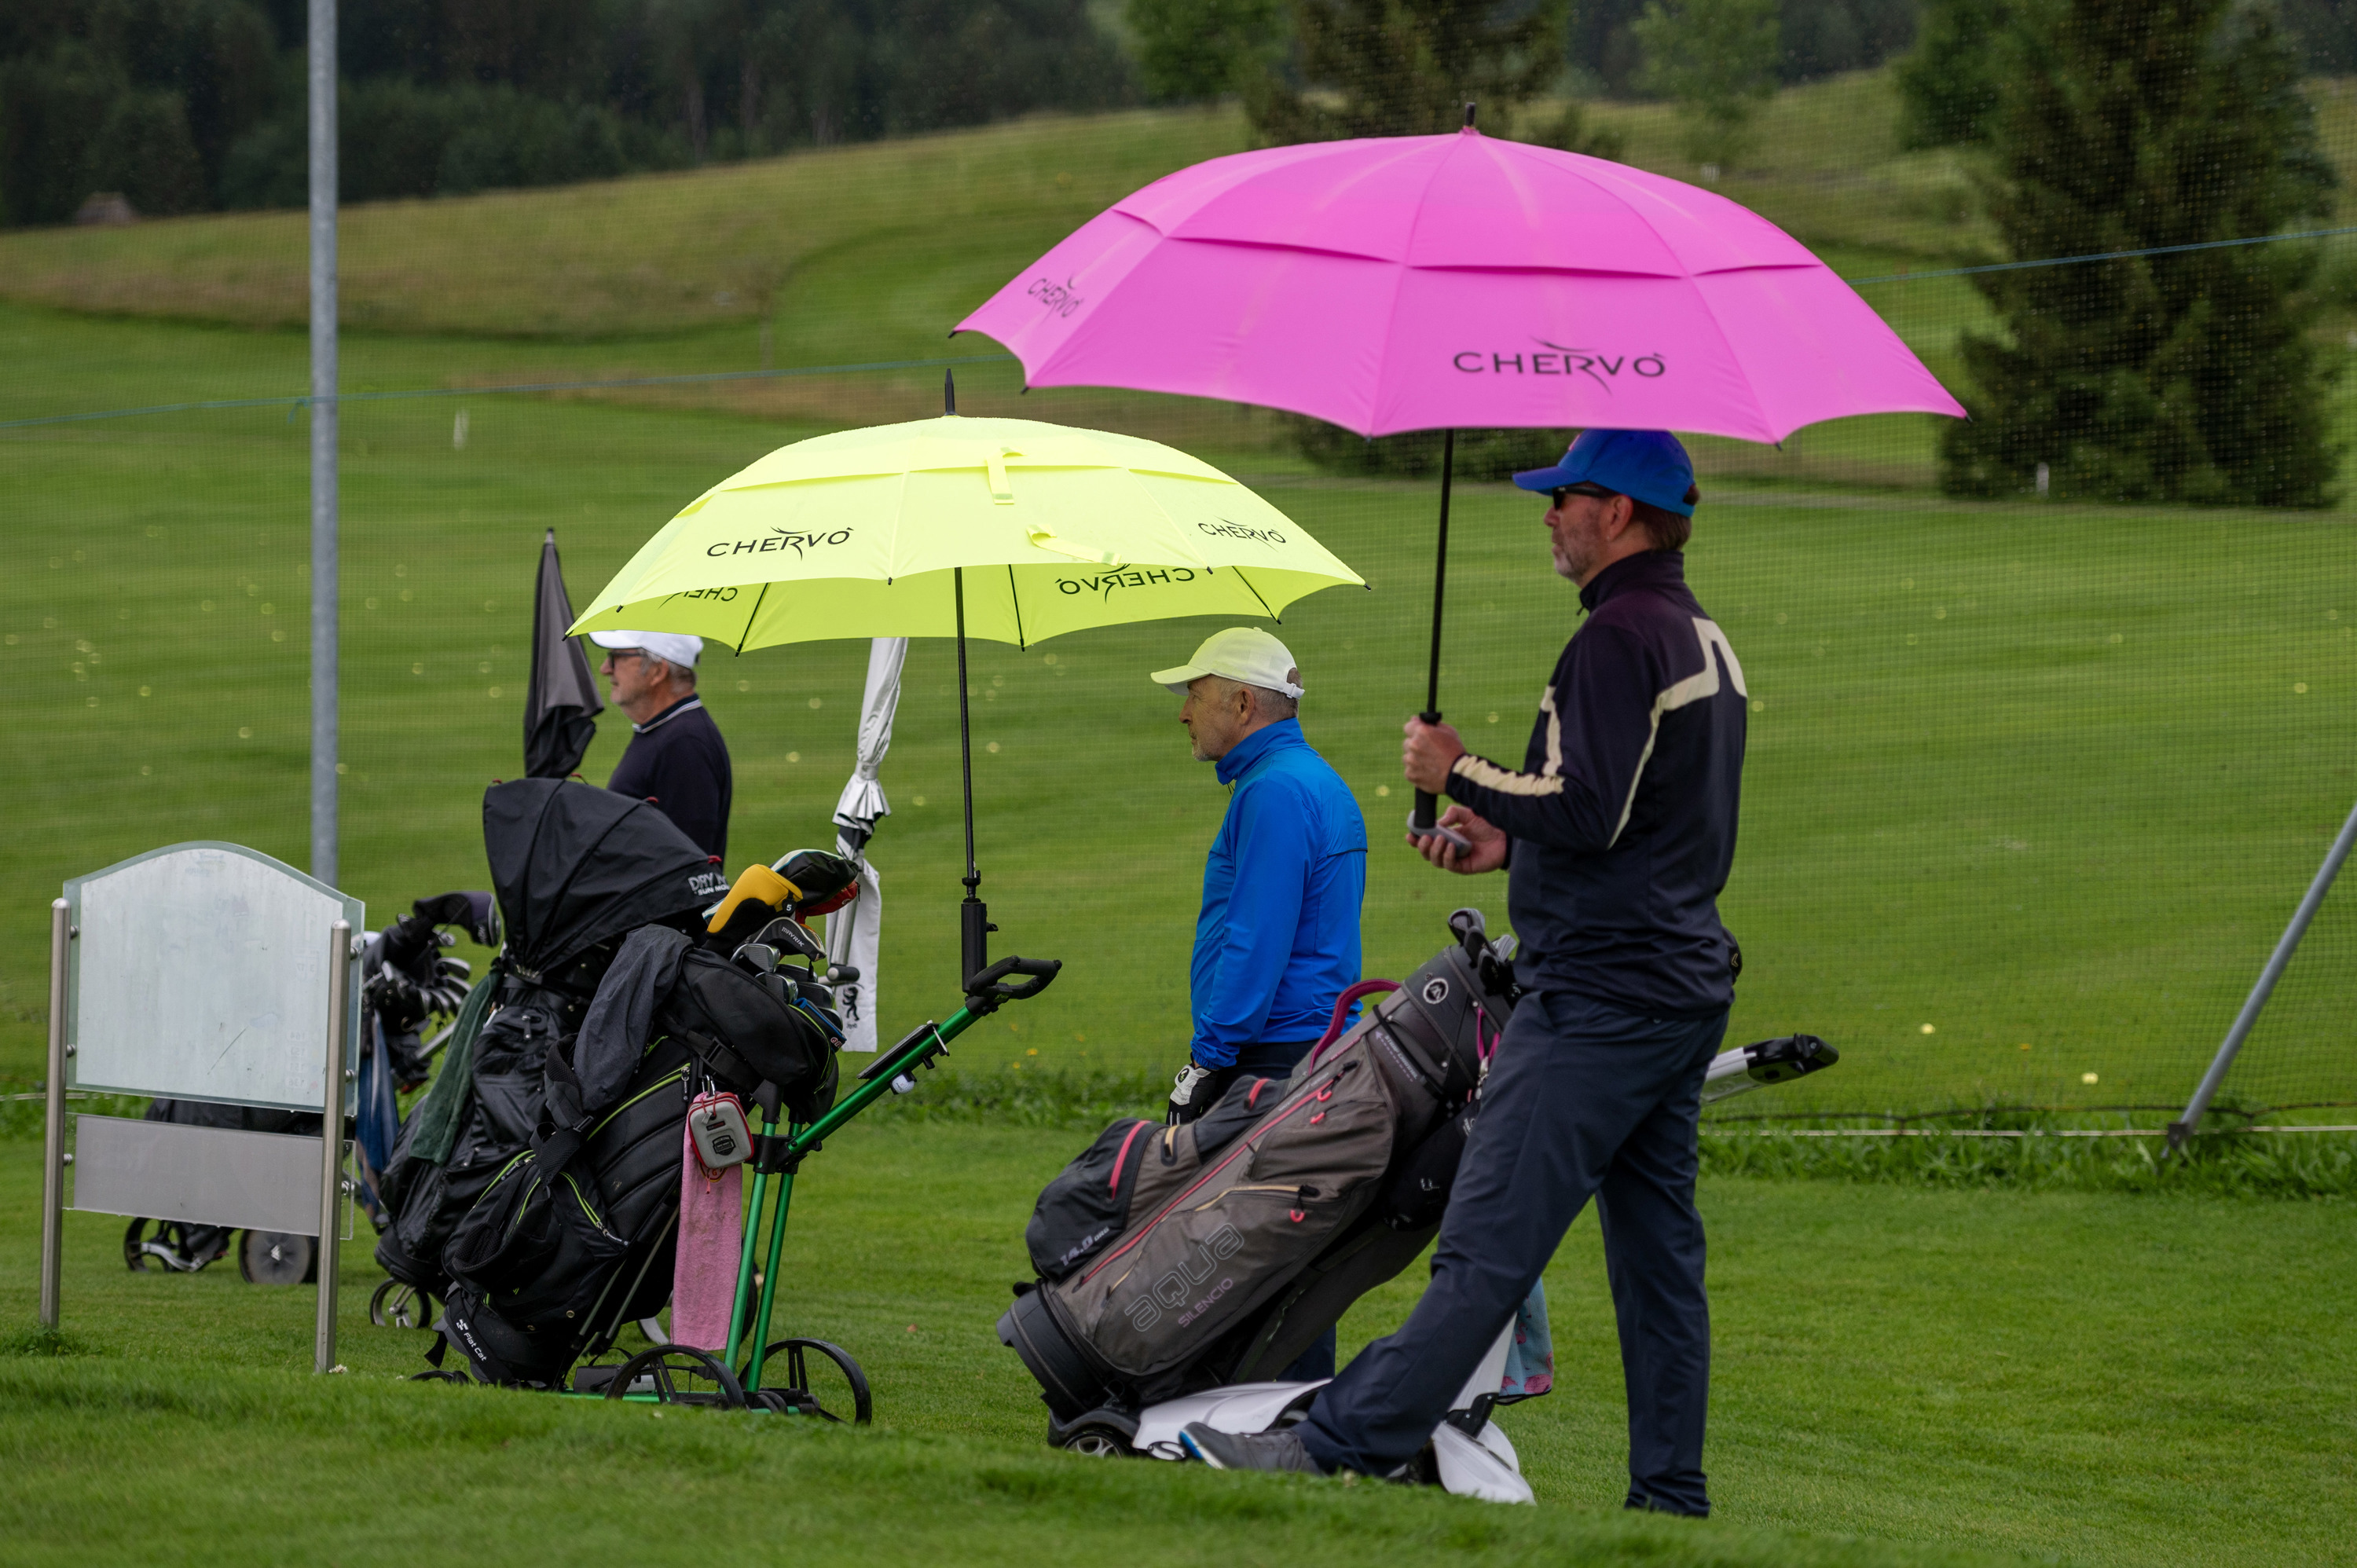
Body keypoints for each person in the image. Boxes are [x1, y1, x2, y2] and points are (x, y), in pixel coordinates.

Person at [1180, 430, 1747, 1519]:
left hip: (1600, 998)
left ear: (1617, 513)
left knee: (1486, 1243)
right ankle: (1671, 1497)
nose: (1547, 515)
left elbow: (1587, 805)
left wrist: (1459, 772)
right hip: (1674, 987)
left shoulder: (1619, 638)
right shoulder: (1693, 634)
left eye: (1563, 498)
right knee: (1659, 1260)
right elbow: (1636, 821)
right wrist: (1503, 841)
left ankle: (1340, 1442)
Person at [1156, 628, 1369, 1378]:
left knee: (1253, 1252)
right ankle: (1282, 1414)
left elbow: (1257, 940)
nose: (1185, 712)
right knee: (1281, 1246)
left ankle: (1265, 1419)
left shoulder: (1275, 791)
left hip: (1269, 1058)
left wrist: (1207, 1060)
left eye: (1196, 693)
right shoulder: (1304, 778)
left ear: (1242, 702)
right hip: (1307, 1052)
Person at [588, 630, 734, 862]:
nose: (605, 668)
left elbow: (688, 866)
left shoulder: (685, 746)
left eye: (616, 657)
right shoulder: (664, 731)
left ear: (657, 671)